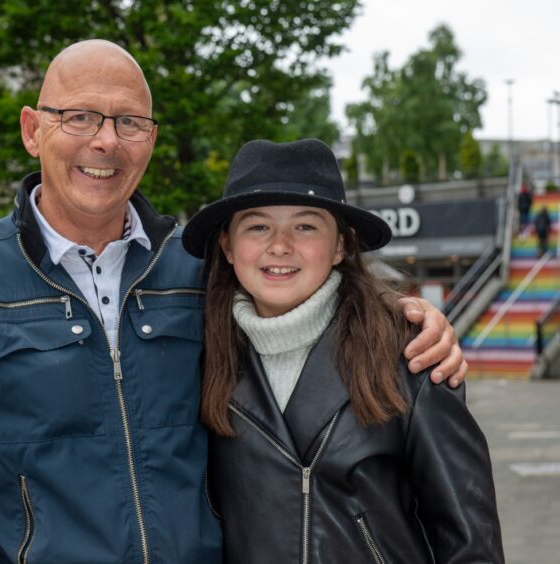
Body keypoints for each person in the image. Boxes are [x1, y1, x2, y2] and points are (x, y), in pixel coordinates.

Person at [0, 41, 466, 563]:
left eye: (129, 121)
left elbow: (302, 303)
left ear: (150, 139)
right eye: (80, 116)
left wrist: (408, 319)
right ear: (33, 130)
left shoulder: (200, 269)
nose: (106, 140)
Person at [182, 139, 503, 563]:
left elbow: (471, 541)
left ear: (340, 246)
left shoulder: (410, 353)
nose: (279, 245)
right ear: (227, 246)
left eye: (306, 226)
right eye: (257, 226)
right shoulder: (197, 355)